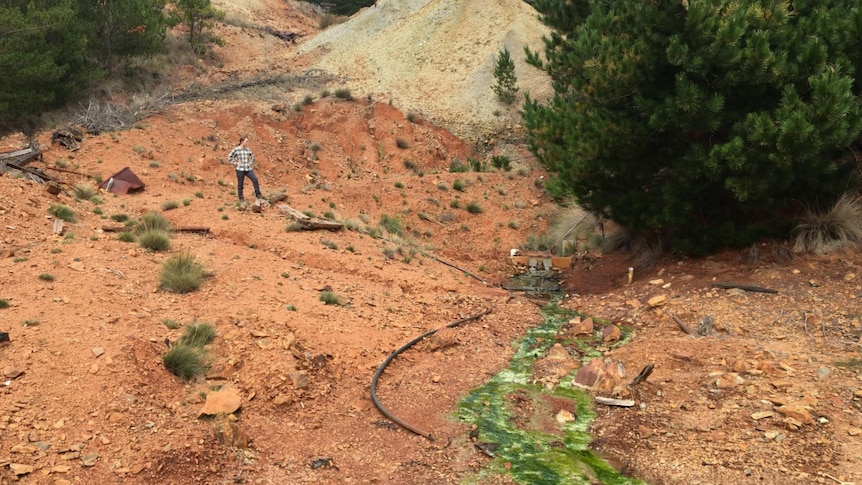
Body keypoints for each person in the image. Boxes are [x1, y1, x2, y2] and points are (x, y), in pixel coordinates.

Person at [227, 135, 263, 207]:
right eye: (246, 141)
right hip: (240, 169)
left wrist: (250, 163)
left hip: (248, 168)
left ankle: (258, 194)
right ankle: (241, 198)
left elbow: (253, 156)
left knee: (255, 179)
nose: (247, 142)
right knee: (240, 184)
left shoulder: (247, 150)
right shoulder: (236, 149)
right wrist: (236, 163)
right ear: (242, 142)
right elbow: (229, 157)